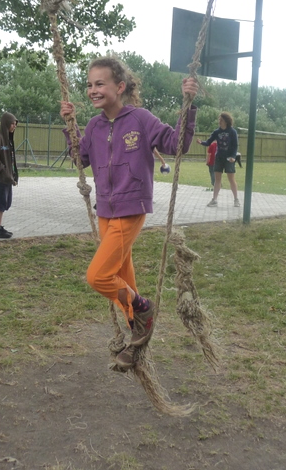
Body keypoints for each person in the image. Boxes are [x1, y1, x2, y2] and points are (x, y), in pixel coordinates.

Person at [60, 56, 199, 370]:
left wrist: (188, 106)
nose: (93, 90)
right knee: (122, 279)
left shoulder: (140, 119)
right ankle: (137, 338)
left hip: (131, 206)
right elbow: (80, 159)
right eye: (89, 85)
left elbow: (176, 144)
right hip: (105, 210)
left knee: (99, 276)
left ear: (120, 86)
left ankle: (144, 308)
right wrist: (69, 126)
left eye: (100, 83)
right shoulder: (94, 126)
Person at [197, 112, 240, 207]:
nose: (219, 122)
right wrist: (201, 142)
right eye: (219, 120)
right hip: (219, 158)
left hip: (229, 159)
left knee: (231, 179)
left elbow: (235, 146)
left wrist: (233, 157)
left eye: (221, 120)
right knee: (217, 179)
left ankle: (236, 200)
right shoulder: (217, 132)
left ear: (226, 121)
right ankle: (214, 200)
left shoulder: (232, 132)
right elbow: (208, 142)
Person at [0, 112, 18, 239]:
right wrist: (4, 171)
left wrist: (13, 174)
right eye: (12, 123)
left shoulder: (9, 139)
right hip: (1, 177)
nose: (14, 126)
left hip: (8, 178)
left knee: (5, 203)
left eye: (15, 124)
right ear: (6, 123)